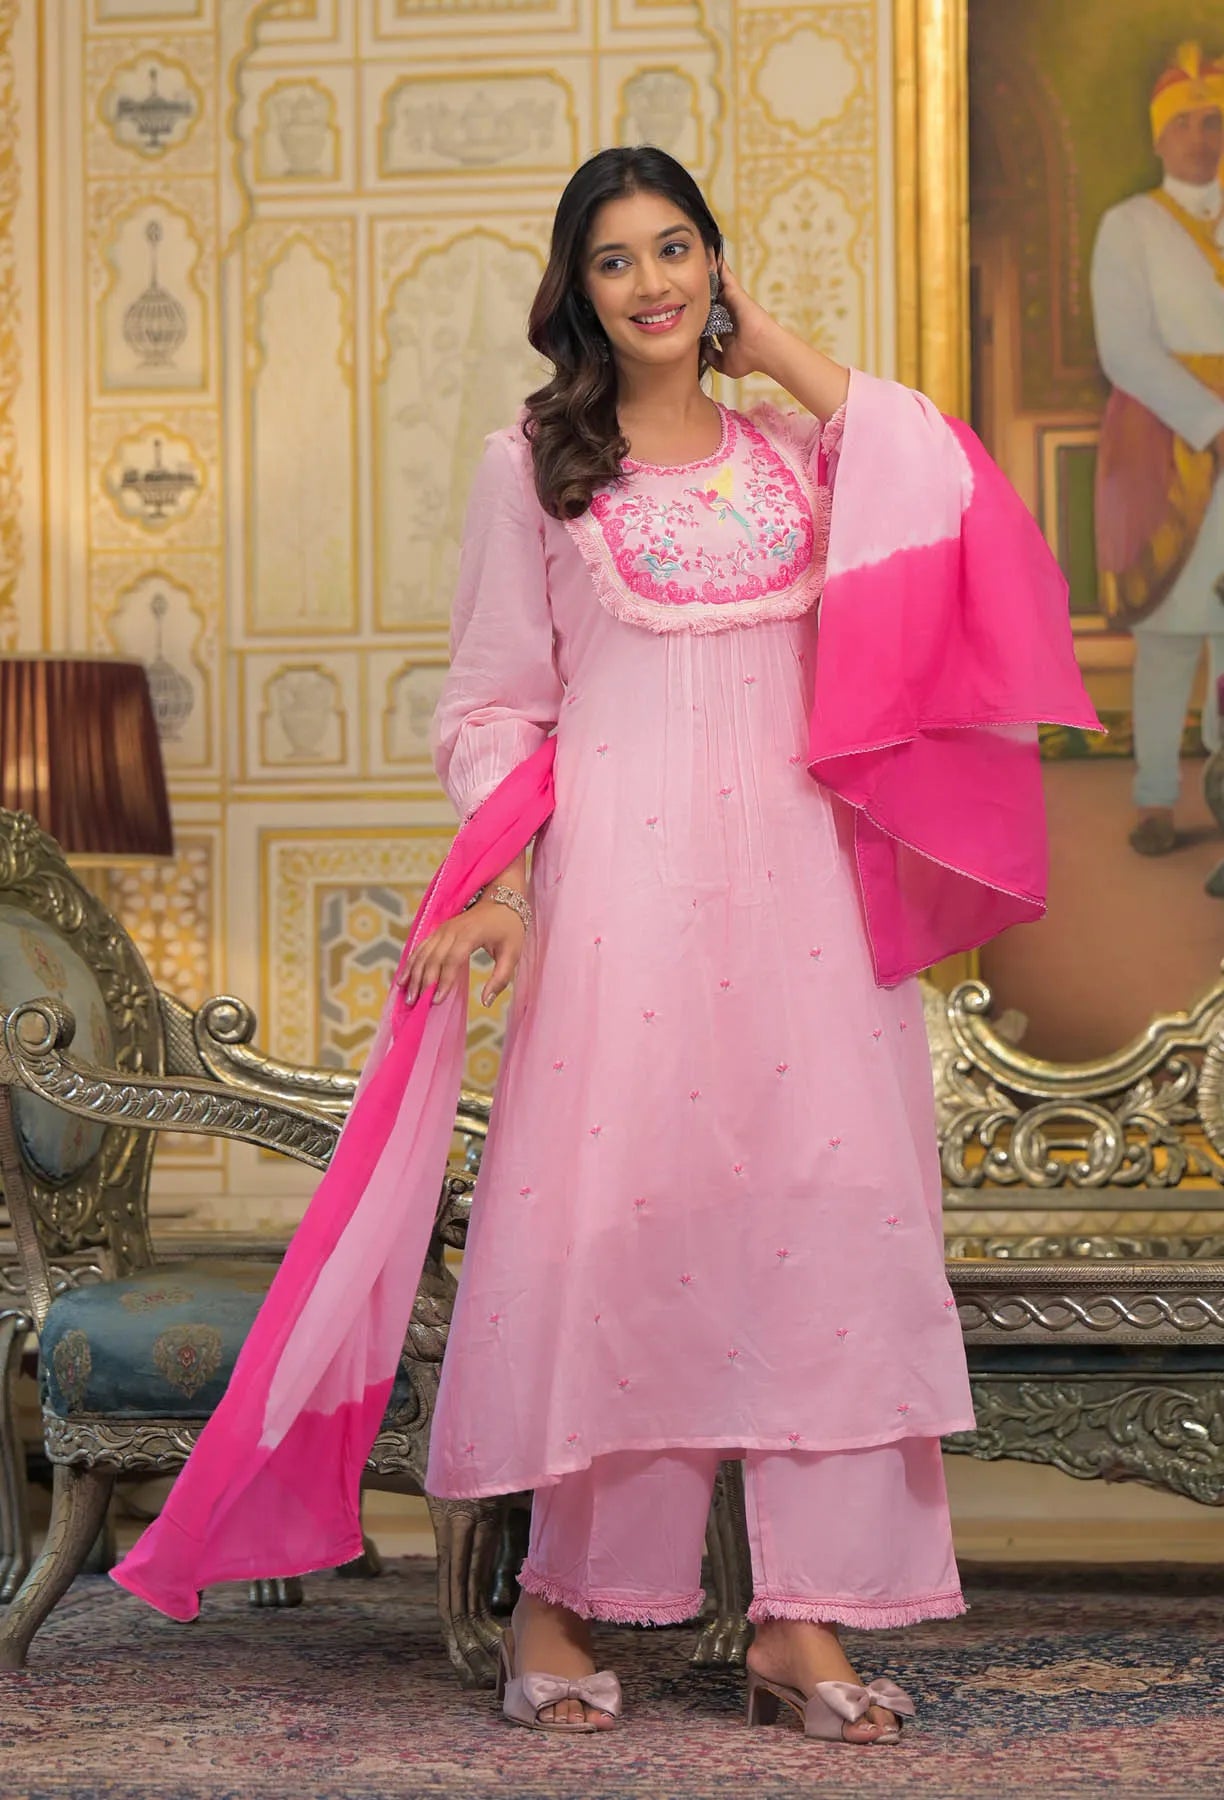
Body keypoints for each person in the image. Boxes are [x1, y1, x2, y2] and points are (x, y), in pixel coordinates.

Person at [110, 146, 1097, 1750]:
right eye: (618, 260)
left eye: (680, 249)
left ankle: (801, 1622)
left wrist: (770, 346)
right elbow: (497, 701)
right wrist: (502, 887)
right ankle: (558, 1603)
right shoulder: (538, 468)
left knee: (821, 1240)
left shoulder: (797, 459)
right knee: (620, 1242)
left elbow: (956, 486)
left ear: (718, 266)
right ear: (575, 292)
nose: (653, 283)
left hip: (804, 915)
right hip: (624, 912)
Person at [1091, 41, 1224, 858]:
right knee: (1172, 630)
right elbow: (1126, 350)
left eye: (1216, 122)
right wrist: (1211, 422)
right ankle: (1154, 800)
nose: (1204, 138)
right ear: (1160, 136)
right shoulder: (1129, 227)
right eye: (1188, 124)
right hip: (1167, 441)